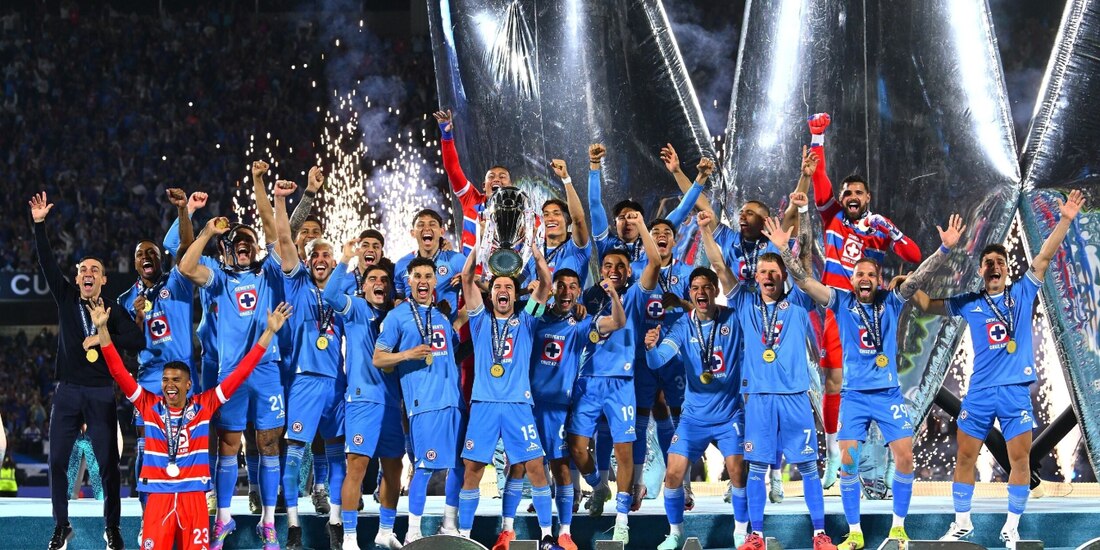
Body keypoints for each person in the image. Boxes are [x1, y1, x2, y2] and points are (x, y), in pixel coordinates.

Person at [776, 198, 966, 548]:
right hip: (854, 396)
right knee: (848, 462)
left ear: (879, 280)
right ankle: (856, 533)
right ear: (852, 279)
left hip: (888, 395)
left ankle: (898, 528)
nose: (865, 279)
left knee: (905, 456)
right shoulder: (840, 300)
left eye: (871, 275)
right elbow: (804, 281)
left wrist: (944, 249)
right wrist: (784, 253)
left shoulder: (891, 300)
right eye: (859, 274)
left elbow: (921, 274)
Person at [911, 190, 1085, 545]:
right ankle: (962, 523)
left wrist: (1065, 220)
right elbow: (926, 303)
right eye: (987, 262)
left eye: (999, 262)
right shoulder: (969, 302)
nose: (993, 266)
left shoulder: (1022, 293)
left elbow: (1044, 257)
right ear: (981, 270)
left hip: (1014, 392)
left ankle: (1011, 527)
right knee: (965, 457)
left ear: (1007, 269)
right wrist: (909, 283)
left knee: (1019, 460)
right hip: (979, 392)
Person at [90, 296, 290, 550]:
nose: (169, 385)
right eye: (165, 380)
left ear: (188, 385)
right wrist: (102, 329)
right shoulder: (147, 404)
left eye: (175, 380)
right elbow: (118, 370)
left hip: (194, 497)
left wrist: (269, 332)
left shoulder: (203, 406)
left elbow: (241, 372)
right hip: (159, 497)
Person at [798, 114, 923, 487]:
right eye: (847, 193)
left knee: (884, 385)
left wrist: (890, 230)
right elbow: (819, 189)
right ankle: (835, 456)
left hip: (877, 315)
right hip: (838, 312)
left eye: (858, 193)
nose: (851, 198)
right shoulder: (832, 217)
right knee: (834, 382)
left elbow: (914, 256)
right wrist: (817, 138)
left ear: (867, 198)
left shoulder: (880, 226)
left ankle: (887, 455)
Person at [177, 160, 289, 550]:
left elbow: (273, 227)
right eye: (237, 241)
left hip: (267, 369)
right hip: (230, 374)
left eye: (249, 241)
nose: (245, 245)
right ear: (227, 248)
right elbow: (185, 265)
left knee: (269, 443)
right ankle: (223, 519)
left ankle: (268, 522)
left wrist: (259, 182)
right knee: (228, 443)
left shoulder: (269, 273)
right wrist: (208, 229)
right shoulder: (217, 274)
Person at [31, 191, 144, 550]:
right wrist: (39, 225)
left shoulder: (111, 309)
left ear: (104, 280)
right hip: (66, 391)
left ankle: (112, 527)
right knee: (58, 463)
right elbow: (48, 261)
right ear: (77, 279)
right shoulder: (65, 298)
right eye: (82, 270)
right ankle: (61, 526)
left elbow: (137, 340)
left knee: (110, 465)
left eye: (95, 270)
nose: (88, 274)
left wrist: (102, 336)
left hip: (99, 392)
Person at [723, 195, 836, 550]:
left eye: (774, 272)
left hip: (795, 399)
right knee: (755, 468)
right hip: (757, 398)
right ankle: (755, 535)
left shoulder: (799, 300)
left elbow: (804, 266)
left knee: (807, 468)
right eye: (762, 272)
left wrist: (802, 213)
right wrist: (705, 228)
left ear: (783, 276)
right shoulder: (743, 300)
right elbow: (715, 261)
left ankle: (819, 534)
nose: (768, 276)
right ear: (755, 277)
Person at [645, 211, 749, 550]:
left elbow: (722, 270)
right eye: (696, 288)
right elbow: (661, 358)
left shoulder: (735, 318)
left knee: (738, 473)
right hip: (693, 418)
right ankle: (674, 534)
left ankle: (741, 532)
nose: (701, 292)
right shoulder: (682, 326)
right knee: (672, 476)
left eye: (707, 288)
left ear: (716, 291)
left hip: (729, 414)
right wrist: (650, 350)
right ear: (690, 292)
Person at [456, 236, 561, 549]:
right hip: (485, 405)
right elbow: (465, 278)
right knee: (472, 470)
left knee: (536, 469)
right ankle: (463, 536)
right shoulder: (478, 321)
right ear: (492, 294)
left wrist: (533, 247)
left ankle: (545, 536)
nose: (503, 291)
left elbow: (545, 281)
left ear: (516, 295)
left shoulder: (526, 320)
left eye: (509, 287)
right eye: (498, 287)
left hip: (517, 404)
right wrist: (482, 240)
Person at [568, 209, 660, 545]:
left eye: (621, 266)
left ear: (628, 270)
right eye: (608, 266)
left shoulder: (635, 293)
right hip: (588, 381)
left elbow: (654, 262)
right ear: (600, 269)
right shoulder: (589, 297)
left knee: (623, 452)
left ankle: (621, 520)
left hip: (621, 385)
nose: (614, 271)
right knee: (577, 448)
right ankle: (598, 485)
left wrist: (642, 226)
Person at [272, 176, 348, 550]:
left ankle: (335, 524)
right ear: (308, 260)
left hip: (337, 383)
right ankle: (293, 526)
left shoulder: (343, 289)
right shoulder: (297, 282)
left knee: (337, 456)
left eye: (326, 255)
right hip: (303, 380)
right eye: (315, 254)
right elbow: (285, 239)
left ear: (334, 262)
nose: (320, 259)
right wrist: (284, 200)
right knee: (294, 454)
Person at [530, 268, 625, 550]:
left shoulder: (580, 325)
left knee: (560, 468)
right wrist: (534, 292)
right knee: (527, 467)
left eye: (573, 287)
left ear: (578, 293)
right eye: (561, 286)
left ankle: (565, 532)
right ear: (553, 289)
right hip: (529, 405)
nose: (567, 291)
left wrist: (613, 295)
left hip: (559, 406)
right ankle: (529, 531)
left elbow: (618, 322)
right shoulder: (535, 318)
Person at [374, 257, 465, 545]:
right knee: (425, 468)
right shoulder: (397, 317)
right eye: (417, 276)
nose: (423, 281)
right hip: (423, 404)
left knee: (459, 466)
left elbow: (450, 352)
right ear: (409, 281)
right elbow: (378, 358)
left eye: (428, 275)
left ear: (434, 281)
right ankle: (413, 531)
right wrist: (406, 355)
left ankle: (448, 524)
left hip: (453, 402)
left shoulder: (440, 317)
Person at [117, 188, 196, 509]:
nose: (147, 256)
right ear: (134, 263)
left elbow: (188, 248)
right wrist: (136, 317)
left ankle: (183, 506)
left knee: (184, 443)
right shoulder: (125, 300)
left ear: (160, 258)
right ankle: (147, 511)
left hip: (184, 377)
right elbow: (124, 350)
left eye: (152, 252)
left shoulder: (177, 282)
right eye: (140, 253)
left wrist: (182, 211)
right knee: (147, 444)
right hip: (149, 378)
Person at [325, 242, 405, 550]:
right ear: (363, 284)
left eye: (384, 280)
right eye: (373, 279)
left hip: (391, 401)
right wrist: (346, 258)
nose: (379, 284)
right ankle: (348, 539)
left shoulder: (398, 317)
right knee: (356, 466)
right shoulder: (356, 308)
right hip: (361, 400)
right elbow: (332, 295)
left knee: (395, 466)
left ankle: (385, 531)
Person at [392, 209, 467, 318]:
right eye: (421, 225)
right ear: (413, 233)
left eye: (432, 224)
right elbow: (399, 298)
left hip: (446, 333)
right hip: (414, 331)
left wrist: (457, 324)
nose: (426, 228)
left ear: (442, 231)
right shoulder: (401, 264)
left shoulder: (457, 260)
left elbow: (476, 296)